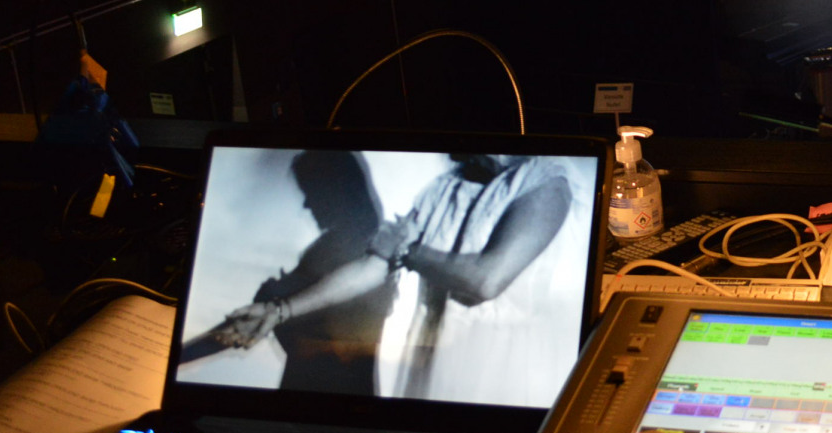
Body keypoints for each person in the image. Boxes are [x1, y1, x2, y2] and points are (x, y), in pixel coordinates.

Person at [215, 153, 582, 404]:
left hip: (498, 370)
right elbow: (372, 267)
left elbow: (485, 281)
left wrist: (407, 250)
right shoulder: (443, 188)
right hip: (436, 364)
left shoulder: (545, 180)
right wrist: (277, 310)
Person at [249, 150, 397, 395]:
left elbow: (315, 340)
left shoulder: (337, 252)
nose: (307, 204)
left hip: (319, 388)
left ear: (334, 192)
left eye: (311, 192)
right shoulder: (371, 247)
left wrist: (271, 299)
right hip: (351, 388)